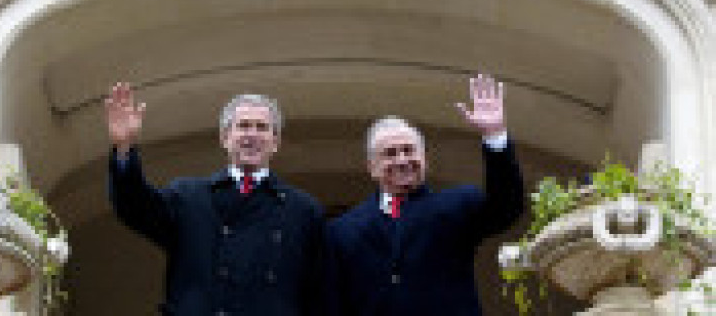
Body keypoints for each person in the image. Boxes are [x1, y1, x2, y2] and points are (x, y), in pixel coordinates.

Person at [105, 82, 324, 316]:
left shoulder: (303, 209)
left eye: (262, 127)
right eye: (243, 126)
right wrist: (124, 149)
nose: (252, 135)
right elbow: (135, 207)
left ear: (275, 143)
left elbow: (317, 292)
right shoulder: (188, 196)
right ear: (225, 138)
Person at [326, 73, 524, 316]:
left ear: (424, 159)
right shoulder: (341, 231)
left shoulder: (458, 205)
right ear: (372, 168)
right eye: (390, 153)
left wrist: (494, 136)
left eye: (409, 150)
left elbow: (506, 207)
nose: (402, 160)